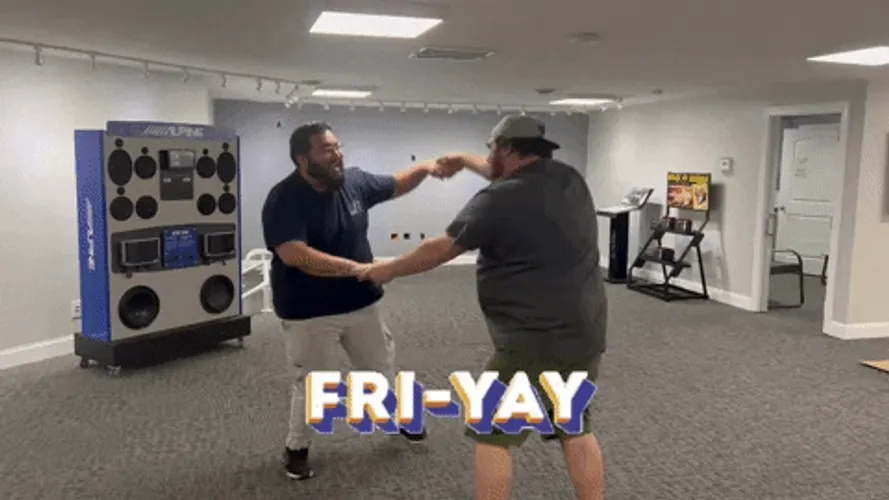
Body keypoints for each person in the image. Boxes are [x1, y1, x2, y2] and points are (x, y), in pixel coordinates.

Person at [358, 115, 607, 500]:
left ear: (505, 147)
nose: (487, 156)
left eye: (491, 148)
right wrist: (463, 159)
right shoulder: (568, 178)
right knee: (573, 426)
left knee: (491, 432)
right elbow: (500, 172)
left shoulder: (500, 199)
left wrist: (384, 270)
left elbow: (440, 248)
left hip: (534, 341)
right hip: (584, 332)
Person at [261, 122, 440, 480]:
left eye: (338, 147)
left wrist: (426, 167)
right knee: (316, 384)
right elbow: (295, 254)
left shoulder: (354, 182)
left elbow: (397, 183)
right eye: (327, 150)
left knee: (380, 369)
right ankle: (297, 447)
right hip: (310, 311)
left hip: (361, 303)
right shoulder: (284, 198)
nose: (337, 155)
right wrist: (358, 269)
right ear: (303, 159)